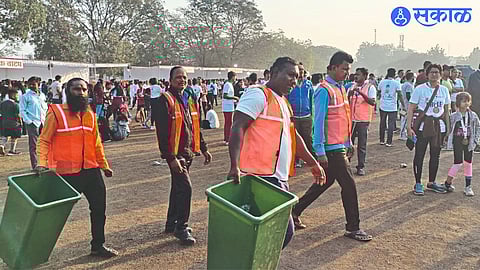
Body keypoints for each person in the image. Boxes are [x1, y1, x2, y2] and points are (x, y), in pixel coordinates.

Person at [227, 56, 326, 248]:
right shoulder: (258, 95)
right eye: (290, 75)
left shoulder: (283, 102)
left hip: (278, 176)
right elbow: (237, 127)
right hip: (260, 177)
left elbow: (293, 136)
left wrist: (313, 162)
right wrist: (234, 165)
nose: (294, 81)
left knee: (269, 230)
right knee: (284, 230)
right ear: (273, 73)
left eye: (297, 77)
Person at [292, 51, 373, 242]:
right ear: (332, 68)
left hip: (340, 145)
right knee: (349, 186)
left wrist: (348, 143)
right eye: (344, 69)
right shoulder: (324, 90)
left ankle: (294, 212)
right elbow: (318, 122)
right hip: (331, 148)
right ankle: (353, 227)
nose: (347, 73)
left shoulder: (341, 88)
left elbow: (342, 119)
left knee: (324, 182)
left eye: (348, 69)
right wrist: (319, 151)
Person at [35, 78, 118, 257]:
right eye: (76, 89)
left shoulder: (90, 115)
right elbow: (44, 140)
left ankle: (98, 245)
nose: (80, 93)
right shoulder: (56, 113)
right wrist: (42, 163)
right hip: (66, 173)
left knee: (98, 209)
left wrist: (104, 166)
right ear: (67, 91)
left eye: (83, 89)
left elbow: (96, 143)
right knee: (52, 215)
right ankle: (36, 250)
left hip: (91, 170)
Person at [155, 66, 213, 245]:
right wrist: (171, 158)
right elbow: (162, 133)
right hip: (177, 155)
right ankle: (182, 227)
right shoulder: (163, 101)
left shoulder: (189, 99)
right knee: (185, 188)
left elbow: (195, 126)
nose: (182, 80)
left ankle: (171, 223)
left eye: (185, 77)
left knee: (178, 187)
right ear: (170, 80)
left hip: (188, 153)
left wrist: (204, 148)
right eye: (178, 77)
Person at [407, 64, 451, 195]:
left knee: (435, 155)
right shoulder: (420, 89)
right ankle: (418, 183)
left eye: (437, 72)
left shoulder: (444, 90)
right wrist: (409, 127)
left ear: (441, 74)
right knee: (419, 154)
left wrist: (448, 129)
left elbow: (446, 111)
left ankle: (432, 182)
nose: (434, 75)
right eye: (431, 72)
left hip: (439, 127)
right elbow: (411, 109)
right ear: (427, 74)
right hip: (423, 127)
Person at [443, 92, 480, 196]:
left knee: (468, 163)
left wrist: (476, 140)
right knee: (458, 162)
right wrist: (446, 139)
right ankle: (448, 182)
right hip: (457, 141)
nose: (466, 103)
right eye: (464, 101)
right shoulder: (454, 116)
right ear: (458, 103)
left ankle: (468, 187)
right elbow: (449, 128)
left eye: (468, 101)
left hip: (469, 141)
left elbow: (478, 127)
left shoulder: (473, 115)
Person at [347, 67, 376, 176]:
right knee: (349, 143)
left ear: (364, 76)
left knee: (361, 145)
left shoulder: (370, 87)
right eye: (355, 74)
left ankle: (360, 167)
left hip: (363, 120)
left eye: (358, 74)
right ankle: (347, 165)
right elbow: (346, 100)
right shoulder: (352, 86)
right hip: (351, 119)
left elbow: (372, 102)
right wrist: (350, 93)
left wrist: (361, 94)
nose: (356, 76)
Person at [286, 62, 315, 168]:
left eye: (302, 70)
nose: (301, 72)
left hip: (306, 116)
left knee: (308, 138)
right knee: (294, 139)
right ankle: (296, 160)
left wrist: (312, 115)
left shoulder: (308, 84)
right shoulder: (291, 84)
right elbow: (287, 99)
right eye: (299, 70)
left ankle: (310, 159)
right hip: (294, 116)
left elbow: (311, 100)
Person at [20, 76, 47, 169]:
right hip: (33, 123)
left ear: (38, 84)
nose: (31, 86)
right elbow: (22, 110)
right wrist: (29, 121)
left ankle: (44, 163)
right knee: (34, 146)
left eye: (33, 84)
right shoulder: (25, 96)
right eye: (30, 84)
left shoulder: (42, 95)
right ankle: (35, 165)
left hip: (43, 122)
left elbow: (45, 108)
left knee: (44, 144)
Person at [378, 68, 404, 147]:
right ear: (394, 74)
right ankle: (389, 141)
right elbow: (400, 95)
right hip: (392, 106)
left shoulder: (382, 82)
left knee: (382, 123)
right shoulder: (396, 83)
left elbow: (379, 91)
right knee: (391, 124)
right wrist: (403, 105)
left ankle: (382, 140)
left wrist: (382, 96)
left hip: (383, 105)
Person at [0, 88, 22, 156]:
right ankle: (12, 150)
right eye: (16, 95)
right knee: (14, 137)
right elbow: (17, 115)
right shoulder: (15, 104)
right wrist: (20, 122)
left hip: (4, 122)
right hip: (14, 123)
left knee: (5, 136)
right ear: (12, 95)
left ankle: (2, 145)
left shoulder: (2, 103)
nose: (17, 96)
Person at [222, 71, 239, 145]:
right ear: (232, 77)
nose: (235, 78)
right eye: (235, 76)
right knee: (228, 123)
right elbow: (225, 95)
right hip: (227, 106)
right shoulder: (227, 85)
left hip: (230, 105)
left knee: (229, 122)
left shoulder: (230, 84)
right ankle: (227, 139)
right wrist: (234, 97)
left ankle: (227, 138)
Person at [399, 72, 415, 140]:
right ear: (411, 78)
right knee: (405, 120)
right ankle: (403, 134)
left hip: (404, 104)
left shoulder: (404, 84)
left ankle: (403, 133)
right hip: (407, 105)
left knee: (404, 119)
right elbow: (408, 95)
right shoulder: (409, 85)